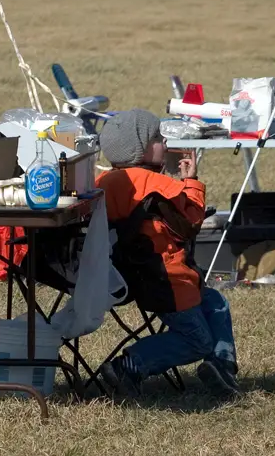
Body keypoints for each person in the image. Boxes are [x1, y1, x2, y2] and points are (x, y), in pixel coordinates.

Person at [95, 109, 240, 399]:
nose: (165, 142)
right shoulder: (160, 185)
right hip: (166, 278)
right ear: (139, 148)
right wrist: (192, 181)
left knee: (216, 302)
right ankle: (129, 365)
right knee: (196, 341)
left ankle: (222, 365)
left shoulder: (103, 184)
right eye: (158, 138)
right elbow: (192, 220)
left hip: (126, 274)